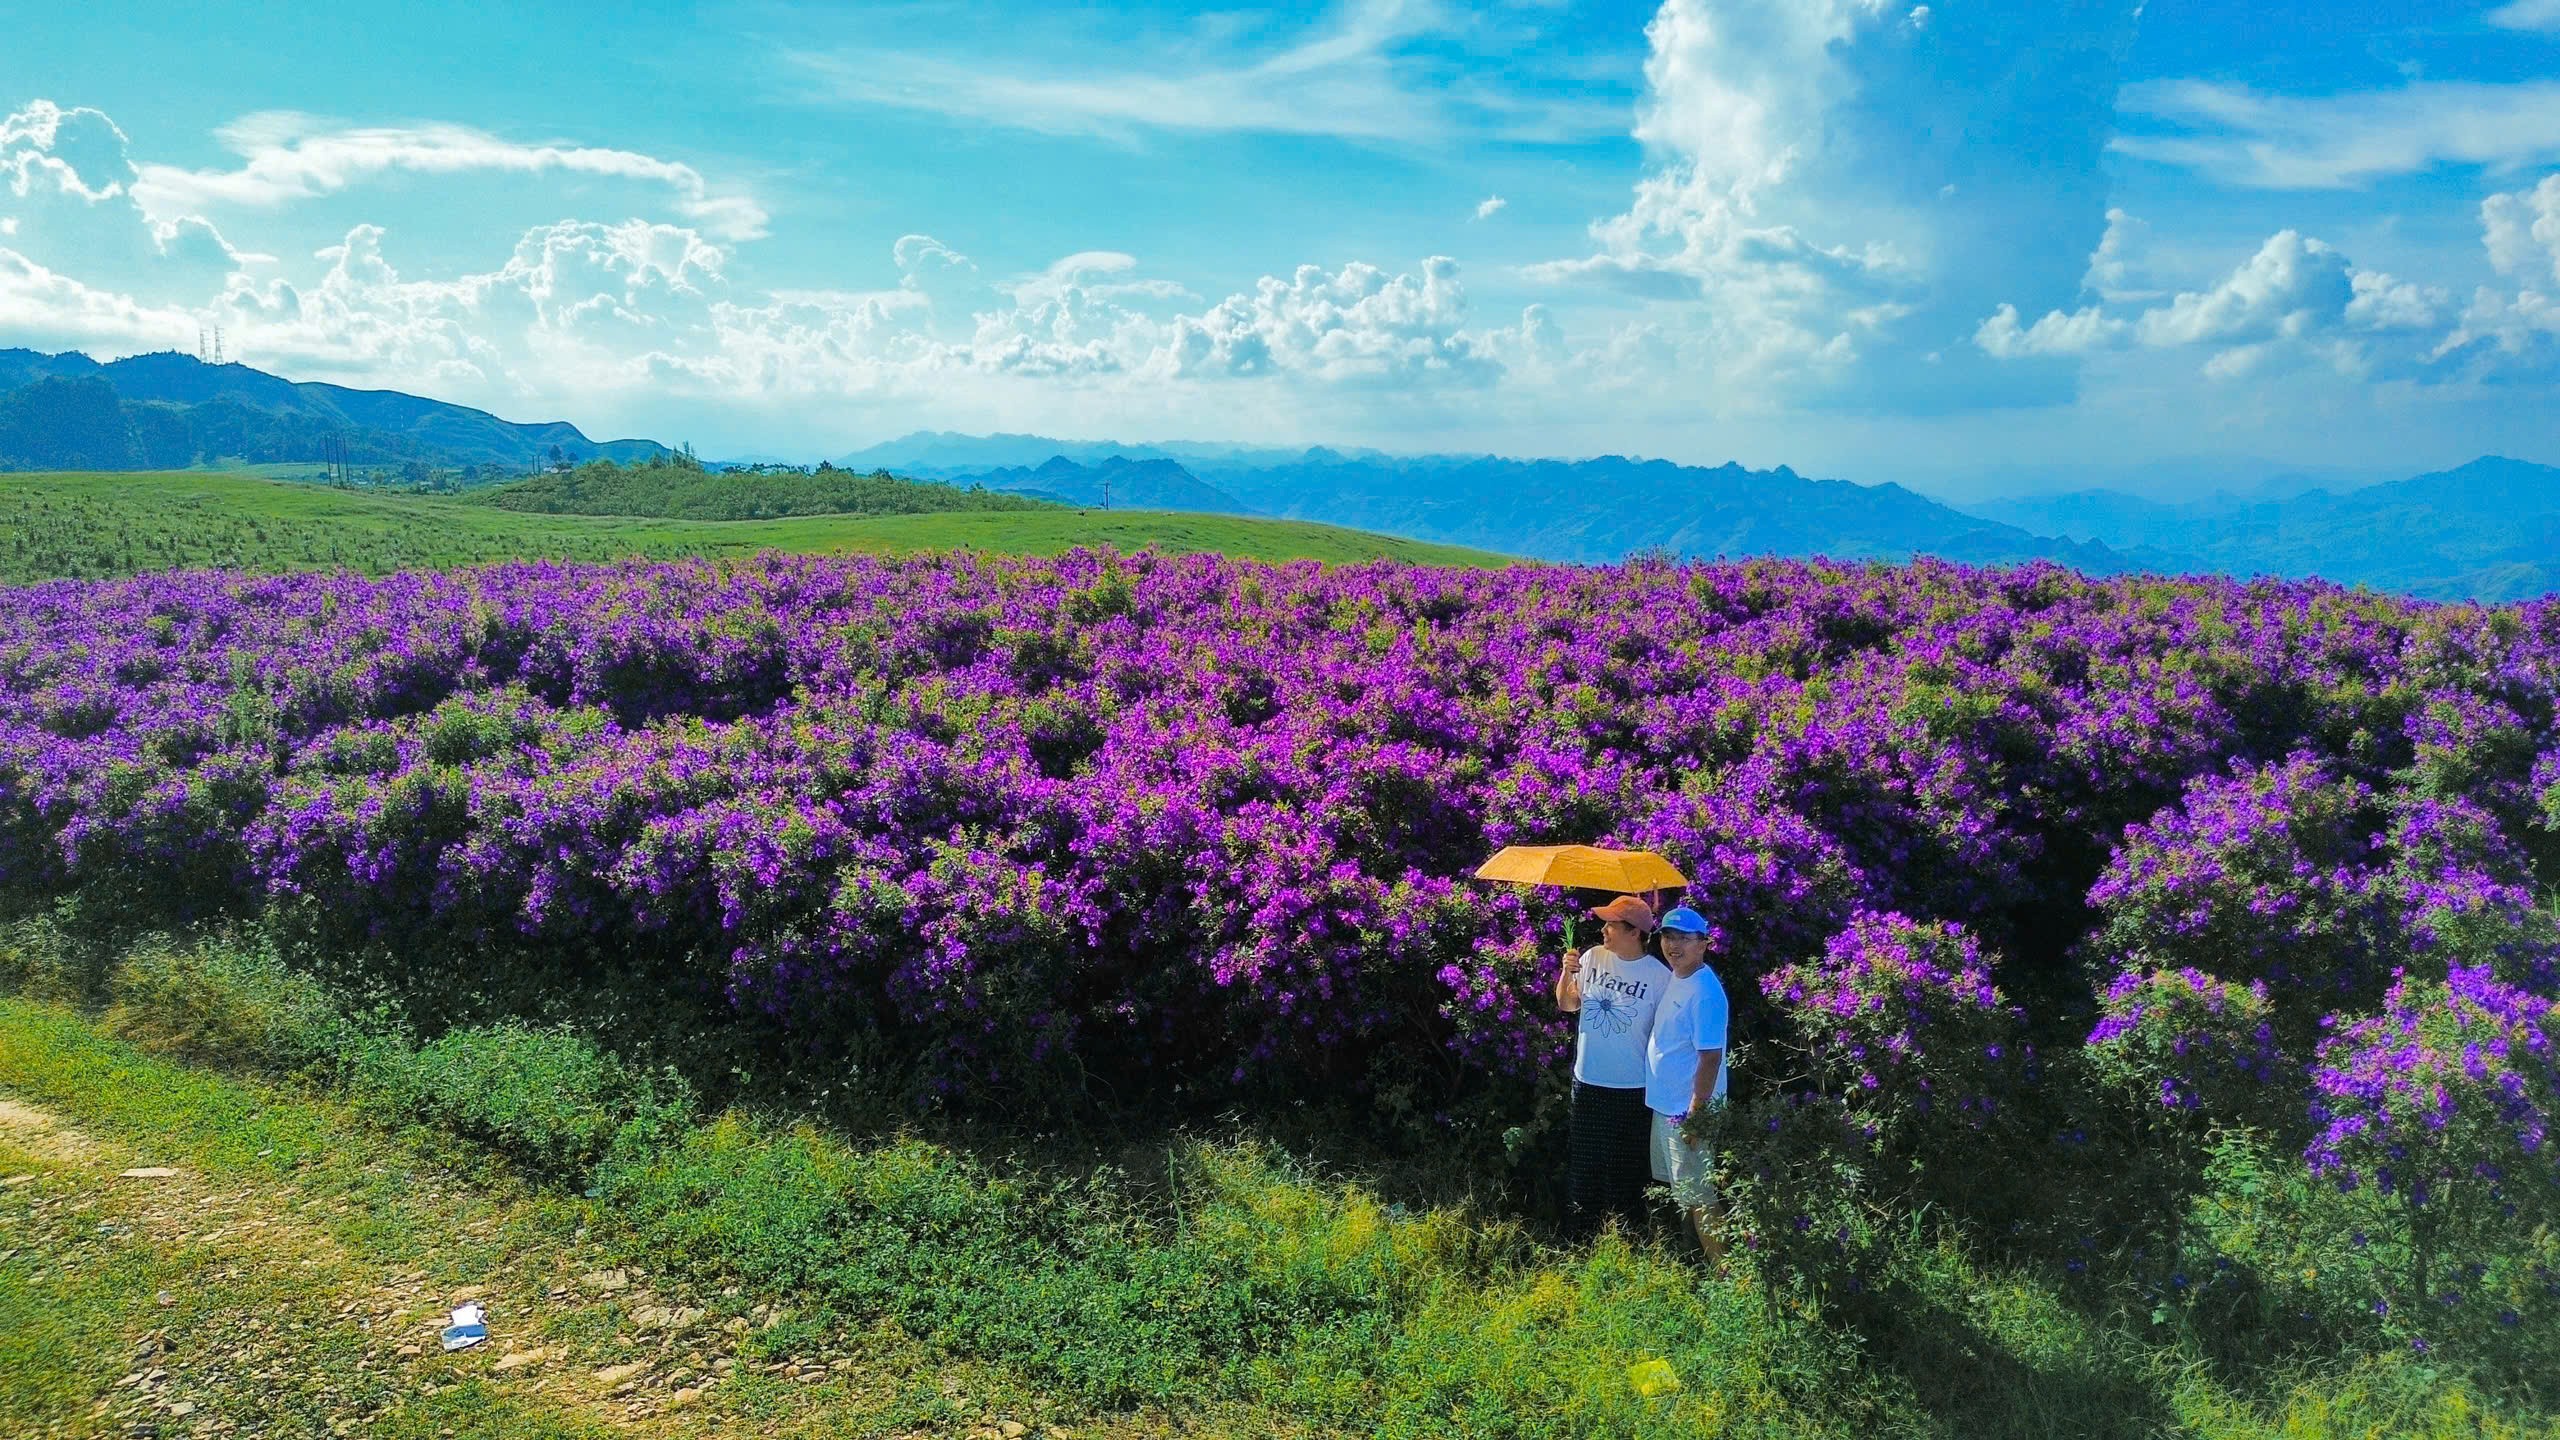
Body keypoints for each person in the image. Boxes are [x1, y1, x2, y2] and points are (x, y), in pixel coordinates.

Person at [1554, 894, 1671, 1237]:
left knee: (1626, 1171)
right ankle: (1579, 1238)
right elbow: (1567, 1004)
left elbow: (1663, 1036)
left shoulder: (1659, 977)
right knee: (1584, 1167)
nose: (1603, 929)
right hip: (1588, 1081)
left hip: (1633, 1088)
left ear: (1634, 932)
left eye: (1611, 924)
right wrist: (1566, 973)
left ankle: (1628, 1239)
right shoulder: (1592, 957)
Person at [1645, 905, 1729, 1261]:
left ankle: (1729, 1278)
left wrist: (1696, 1114)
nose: (1673, 945)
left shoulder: (1705, 992)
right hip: (1668, 1107)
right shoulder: (1678, 977)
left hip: (1687, 1111)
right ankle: (1693, 1263)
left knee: (1700, 1197)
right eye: (1667, 936)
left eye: (1684, 938)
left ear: (1703, 944)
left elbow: (1710, 1058)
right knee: (1684, 1194)